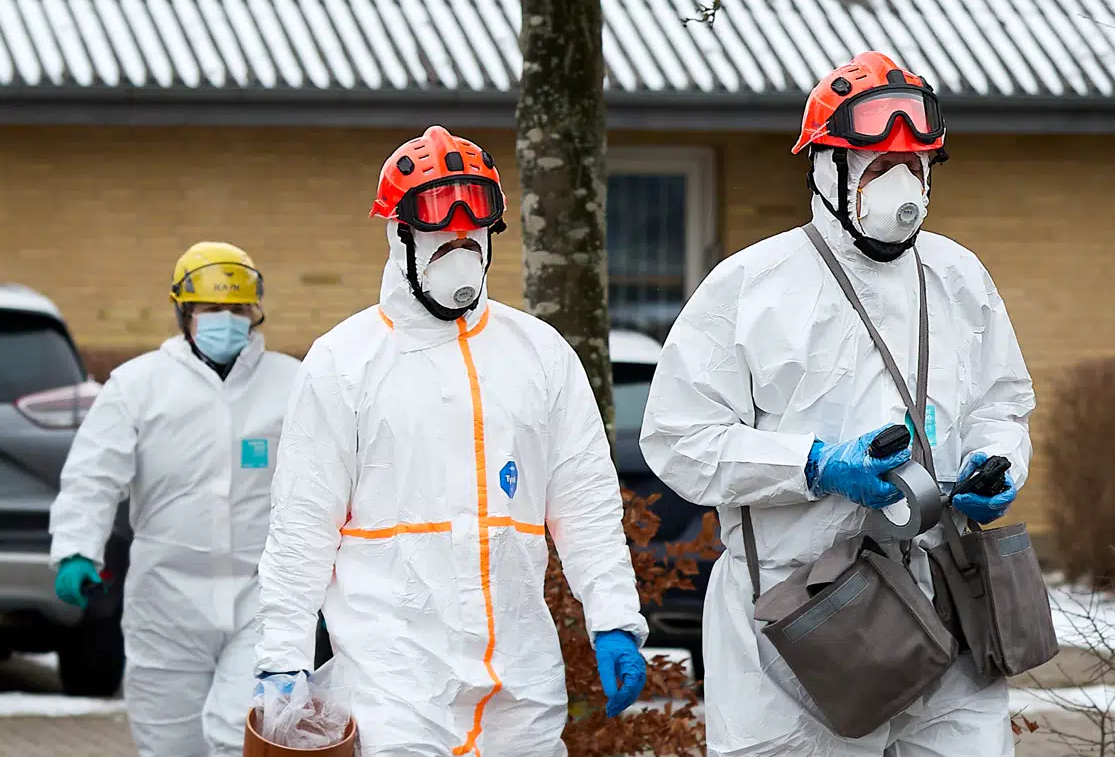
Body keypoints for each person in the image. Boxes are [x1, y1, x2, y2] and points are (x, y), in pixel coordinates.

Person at [640, 52, 1035, 757]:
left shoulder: (959, 277)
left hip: (944, 598)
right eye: (878, 165)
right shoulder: (750, 287)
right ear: (827, 169)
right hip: (802, 614)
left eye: (915, 165)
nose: (902, 183)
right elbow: (680, 439)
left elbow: (1002, 403)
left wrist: (997, 461)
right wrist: (815, 465)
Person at [252, 126, 649, 756]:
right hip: (394, 677)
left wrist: (614, 618)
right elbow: (302, 522)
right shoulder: (343, 362)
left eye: (473, 234)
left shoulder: (539, 354)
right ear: (399, 235)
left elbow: (586, 502)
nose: (459, 248)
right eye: (441, 234)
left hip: (520, 678)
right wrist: (284, 653)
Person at [49, 242, 301, 757]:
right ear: (184, 311)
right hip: (165, 599)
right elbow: (94, 473)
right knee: (169, 743)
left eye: (238, 308)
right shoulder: (139, 385)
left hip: (261, 596)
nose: (227, 320)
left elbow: (327, 479)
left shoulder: (292, 383)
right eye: (212, 308)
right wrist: (76, 548)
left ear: (255, 312)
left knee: (239, 733)